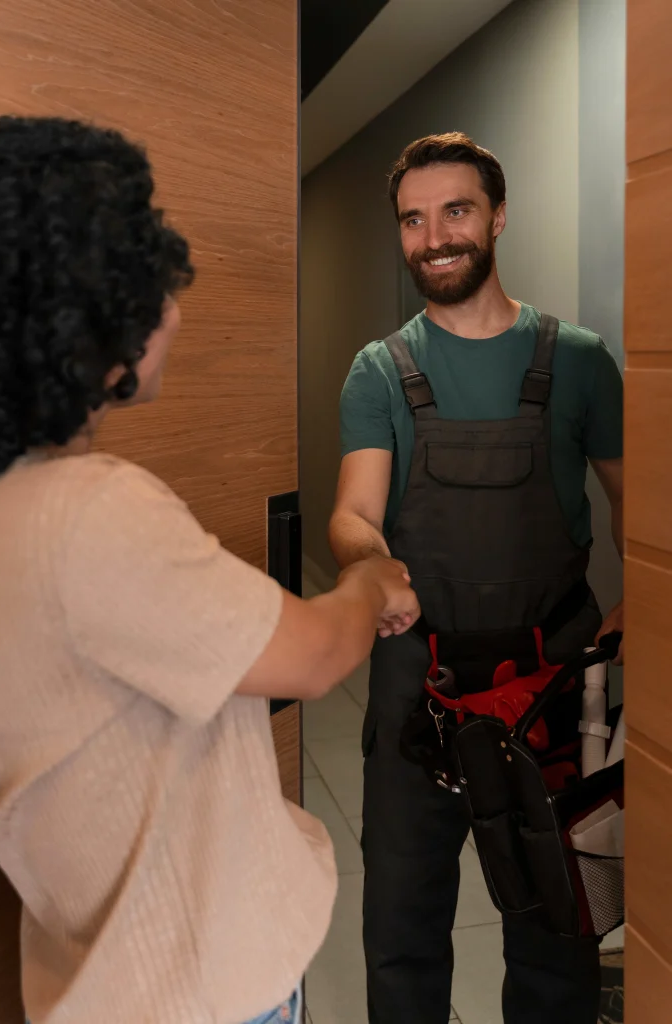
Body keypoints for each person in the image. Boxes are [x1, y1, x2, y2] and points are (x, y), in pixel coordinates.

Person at [0, 115, 420, 1024]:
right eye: (151, 285)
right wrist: (368, 587)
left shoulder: (9, 507)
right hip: (196, 990)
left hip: (91, 977)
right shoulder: (90, 513)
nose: (175, 311)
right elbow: (307, 656)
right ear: (78, 312)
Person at [329, 132, 624, 1024]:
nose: (433, 237)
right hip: (421, 685)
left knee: (554, 926)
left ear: (496, 217)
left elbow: (643, 514)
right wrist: (370, 560)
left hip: (555, 687)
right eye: (412, 221)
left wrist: (631, 621)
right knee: (402, 923)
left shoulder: (575, 359)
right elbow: (352, 514)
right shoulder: (379, 370)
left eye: (454, 211)